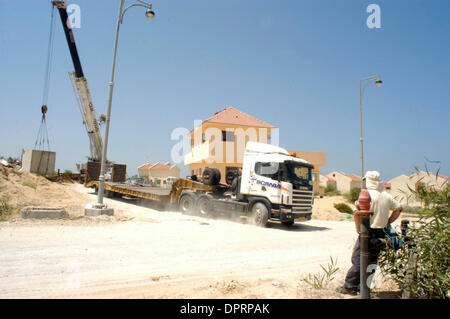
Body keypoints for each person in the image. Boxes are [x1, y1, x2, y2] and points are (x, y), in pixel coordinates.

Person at [336, 171, 403, 296]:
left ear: (366, 181)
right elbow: (398, 208)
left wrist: (359, 230)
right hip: (381, 233)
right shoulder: (386, 196)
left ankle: (349, 286)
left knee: (358, 260)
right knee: (372, 261)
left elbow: (357, 214)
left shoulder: (365, 195)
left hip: (367, 231)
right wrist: (388, 221)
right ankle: (364, 287)